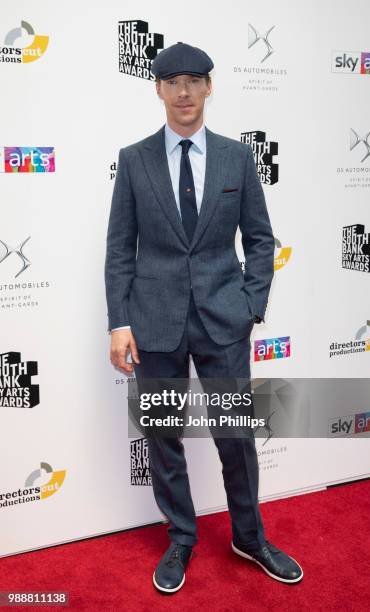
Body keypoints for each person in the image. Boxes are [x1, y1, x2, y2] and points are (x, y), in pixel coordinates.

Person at [104, 41, 303, 593]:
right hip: (154, 322)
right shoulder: (135, 158)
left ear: (210, 87)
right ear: (159, 90)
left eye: (195, 80)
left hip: (223, 320)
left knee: (235, 435)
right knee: (164, 436)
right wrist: (119, 321)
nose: (185, 91)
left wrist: (250, 305)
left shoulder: (239, 158)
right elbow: (121, 247)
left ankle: (249, 535)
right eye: (173, 82)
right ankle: (182, 538)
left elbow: (261, 240)